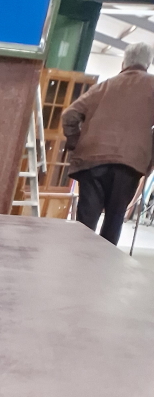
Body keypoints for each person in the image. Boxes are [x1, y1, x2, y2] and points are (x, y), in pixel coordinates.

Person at [62, 41, 154, 245]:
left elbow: (70, 115)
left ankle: (76, 260)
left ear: (124, 62)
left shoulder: (105, 86)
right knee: (114, 218)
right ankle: (103, 268)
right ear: (148, 63)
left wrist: (75, 143)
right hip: (129, 164)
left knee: (86, 219)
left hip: (92, 159)